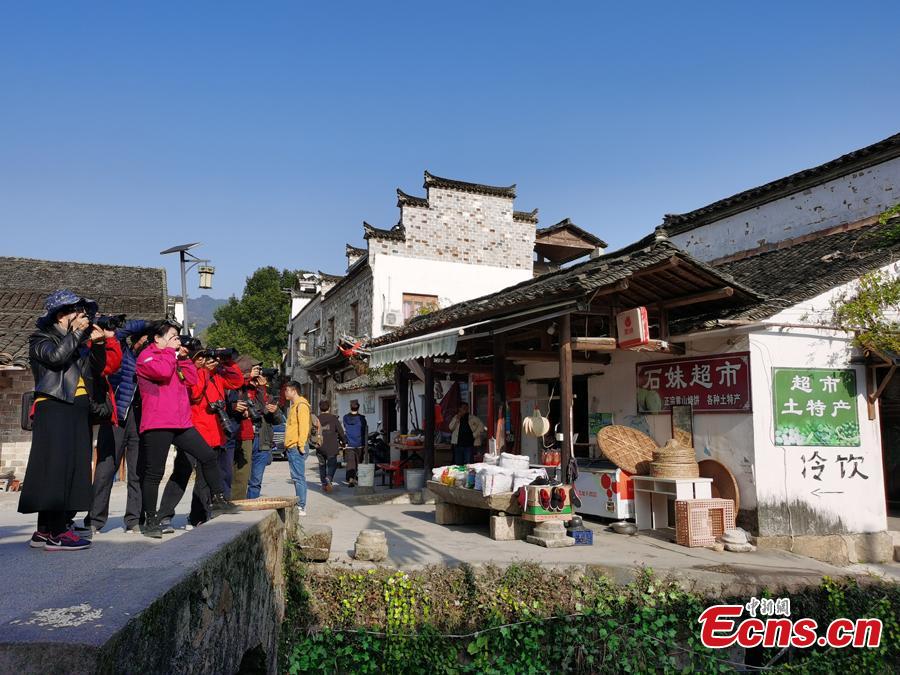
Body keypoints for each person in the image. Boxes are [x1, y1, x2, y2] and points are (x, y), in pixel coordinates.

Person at [19, 290, 106, 551]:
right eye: (75, 313)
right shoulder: (40, 338)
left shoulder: (77, 343)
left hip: (75, 408)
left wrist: (98, 344)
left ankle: (44, 530)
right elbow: (56, 358)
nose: (82, 318)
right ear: (60, 316)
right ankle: (59, 532)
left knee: (68, 465)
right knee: (57, 467)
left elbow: (96, 370)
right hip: (55, 407)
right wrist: (76, 333)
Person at [137, 321, 238, 538]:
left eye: (177, 337)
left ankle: (219, 499)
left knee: (208, 456)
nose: (177, 340)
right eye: (173, 336)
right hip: (158, 422)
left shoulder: (174, 358)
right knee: (154, 473)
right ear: (158, 338)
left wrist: (184, 359)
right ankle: (151, 520)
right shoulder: (147, 356)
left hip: (181, 422)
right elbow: (163, 373)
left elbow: (191, 379)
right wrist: (172, 355)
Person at [158, 344, 243, 530]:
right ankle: (164, 515)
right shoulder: (192, 375)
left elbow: (237, 382)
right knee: (182, 473)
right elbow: (195, 395)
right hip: (193, 432)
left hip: (213, 433)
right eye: (200, 358)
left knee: (204, 480)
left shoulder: (217, 376)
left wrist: (227, 362)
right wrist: (204, 371)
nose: (205, 360)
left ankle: (199, 516)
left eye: (207, 357)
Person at [83, 319, 148, 535]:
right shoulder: (121, 348)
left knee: (137, 471)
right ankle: (94, 519)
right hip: (116, 417)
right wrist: (152, 325)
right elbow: (119, 334)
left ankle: (134, 519)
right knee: (105, 468)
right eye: (144, 339)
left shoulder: (149, 358)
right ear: (135, 340)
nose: (146, 343)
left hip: (139, 419)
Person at [225, 363, 264, 500]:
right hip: (228, 431)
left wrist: (260, 387)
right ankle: (222, 501)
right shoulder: (232, 382)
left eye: (259, 369)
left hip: (246, 432)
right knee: (225, 471)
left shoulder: (254, 387)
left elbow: (261, 408)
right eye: (254, 369)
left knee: (242, 473)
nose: (257, 372)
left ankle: (237, 502)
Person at [247, 372, 285, 499]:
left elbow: (278, 420)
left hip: (262, 440)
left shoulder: (268, 398)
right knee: (240, 480)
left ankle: (251, 509)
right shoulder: (242, 394)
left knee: (256, 481)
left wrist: (275, 412)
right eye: (254, 381)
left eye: (258, 381)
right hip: (245, 440)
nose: (256, 384)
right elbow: (258, 408)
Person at [282, 381, 310, 515]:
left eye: (287, 390)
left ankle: (301, 506)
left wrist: (301, 445)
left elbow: (304, 427)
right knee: (296, 477)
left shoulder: (301, 405)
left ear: (294, 391)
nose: (285, 393)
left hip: (297, 446)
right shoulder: (294, 406)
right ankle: (300, 504)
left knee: (299, 477)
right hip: (292, 446)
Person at [315, 399, 346, 492]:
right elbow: (341, 432)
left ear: (320, 408)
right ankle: (329, 477)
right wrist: (344, 441)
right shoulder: (333, 418)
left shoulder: (317, 419)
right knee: (332, 464)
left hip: (320, 446)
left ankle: (324, 484)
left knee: (322, 465)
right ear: (329, 408)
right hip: (331, 447)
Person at [342, 399, 368, 487]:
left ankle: (350, 479)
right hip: (360, 443)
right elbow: (364, 430)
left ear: (350, 407)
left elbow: (345, 428)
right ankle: (356, 478)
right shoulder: (362, 418)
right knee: (358, 461)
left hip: (349, 443)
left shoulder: (345, 418)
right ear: (358, 408)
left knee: (350, 462)